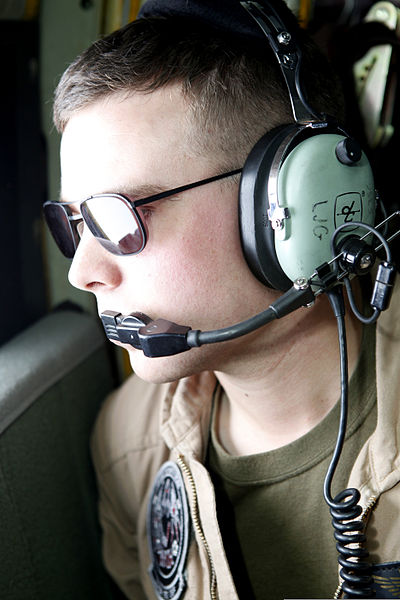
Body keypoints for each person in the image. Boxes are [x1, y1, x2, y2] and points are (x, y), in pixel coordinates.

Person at [44, 0, 400, 598]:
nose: (83, 272)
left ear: (294, 206)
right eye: (75, 223)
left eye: (119, 218)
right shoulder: (126, 443)